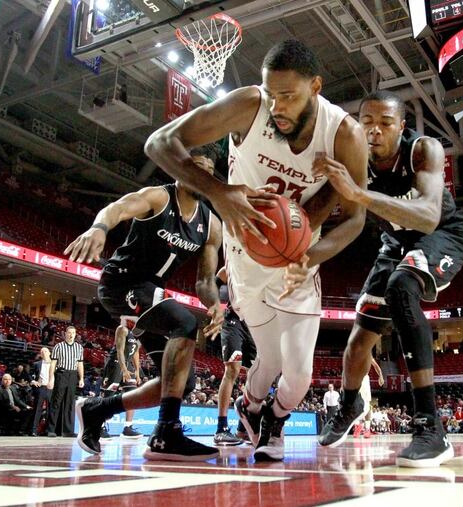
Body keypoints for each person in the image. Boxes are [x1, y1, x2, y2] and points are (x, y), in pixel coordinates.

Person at [146, 40, 368, 462]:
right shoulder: (249, 104)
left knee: (300, 375)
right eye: (273, 94)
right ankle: (250, 406)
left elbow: (355, 217)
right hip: (246, 255)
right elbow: (159, 143)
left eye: (289, 96)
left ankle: (275, 419)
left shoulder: (344, 134)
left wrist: (313, 256)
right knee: (268, 357)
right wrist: (219, 192)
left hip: (299, 256)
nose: (278, 106)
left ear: (316, 87)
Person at [315, 90, 463, 467]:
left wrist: (358, 193)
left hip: (442, 234)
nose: (374, 131)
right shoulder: (354, 158)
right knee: (358, 339)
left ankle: (431, 427)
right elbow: (341, 214)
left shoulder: (423, 150)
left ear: (401, 126)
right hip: (395, 244)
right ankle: (350, 403)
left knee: (402, 288)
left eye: (385, 123)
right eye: (367, 122)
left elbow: (429, 215)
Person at [66, 147, 224, 461]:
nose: (201, 174)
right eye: (195, 167)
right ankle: (166, 432)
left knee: (181, 382)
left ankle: (98, 410)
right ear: (180, 170)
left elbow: (205, 281)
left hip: (150, 297)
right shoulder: (159, 198)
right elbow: (118, 207)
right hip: (121, 284)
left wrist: (216, 304)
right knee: (186, 323)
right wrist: (99, 227)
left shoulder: (211, 225)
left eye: (207, 170)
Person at [213, 268, 256, 446]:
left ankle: (242, 427)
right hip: (233, 320)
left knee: (256, 374)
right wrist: (215, 306)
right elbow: (215, 281)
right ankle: (221, 428)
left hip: (255, 323)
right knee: (232, 370)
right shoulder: (236, 261)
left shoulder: (271, 264)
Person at [100, 324, 142, 439]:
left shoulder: (138, 332)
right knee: (108, 396)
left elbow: (136, 352)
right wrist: (123, 369)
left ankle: (127, 428)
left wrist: (137, 371)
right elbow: (119, 350)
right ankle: (99, 426)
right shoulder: (122, 329)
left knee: (132, 395)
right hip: (116, 363)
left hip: (128, 364)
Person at [46, 326, 84, 437]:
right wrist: (51, 378)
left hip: (73, 375)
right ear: (65, 334)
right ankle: (51, 429)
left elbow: (80, 364)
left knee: (70, 403)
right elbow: (53, 364)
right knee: (56, 401)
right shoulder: (58, 346)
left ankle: (68, 430)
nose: (71, 335)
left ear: (75, 334)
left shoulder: (79, 347)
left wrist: (81, 378)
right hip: (61, 374)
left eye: (73, 333)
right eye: (69, 332)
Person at [30, 347, 53, 436]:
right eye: (41, 351)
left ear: (49, 353)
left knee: (50, 410)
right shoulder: (36, 364)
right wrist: (33, 381)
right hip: (41, 388)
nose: (43, 352)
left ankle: (48, 430)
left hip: (51, 388)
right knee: (37, 410)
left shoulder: (54, 364)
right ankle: (34, 430)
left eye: (45, 351)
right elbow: (30, 375)